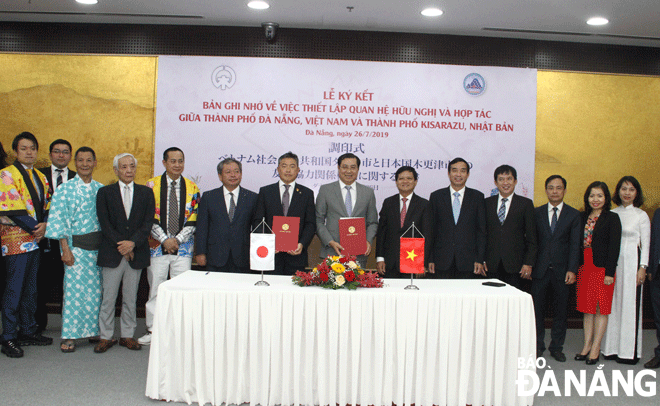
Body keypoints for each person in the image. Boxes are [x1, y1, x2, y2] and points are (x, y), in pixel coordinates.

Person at [138, 147, 200, 346]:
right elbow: (148, 216)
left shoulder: (193, 187)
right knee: (156, 289)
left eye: (180, 161)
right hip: (157, 246)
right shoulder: (151, 186)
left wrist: (177, 240)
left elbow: (193, 219)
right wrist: (165, 239)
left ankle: (180, 331)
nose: (177, 165)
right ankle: (153, 330)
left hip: (183, 248)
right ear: (164, 163)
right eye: (172, 161)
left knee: (182, 290)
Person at [44, 147, 103, 353]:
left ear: (95, 162)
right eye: (80, 160)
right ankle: (69, 334)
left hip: (98, 250)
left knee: (96, 293)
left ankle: (93, 330)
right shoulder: (65, 189)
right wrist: (65, 249)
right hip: (75, 249)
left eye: (89, 160)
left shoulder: (101, 189)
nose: (85, 164)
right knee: (74, 293)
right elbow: (59, 220)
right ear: (75, 163)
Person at [95, 153, 155, 353]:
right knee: (108, 297)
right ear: (116, 170)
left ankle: (127, 335)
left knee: (131, 297)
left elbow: (147, 224)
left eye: (132, 166)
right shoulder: (105, 192)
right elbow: (105, 224)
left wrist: (132, 245)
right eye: (124, 167)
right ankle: (105, 336)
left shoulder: (146, 193)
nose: (129, 170)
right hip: (112, 253)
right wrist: (122, 246)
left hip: (136, 253)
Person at [0, 132, 52, 358]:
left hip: (35, 239)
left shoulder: (41, 176)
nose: (29, 152)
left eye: (33, 148)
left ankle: (28, 330)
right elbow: (13, 209)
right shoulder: (6, 175)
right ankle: (8, 336)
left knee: (31, 289)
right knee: (14, 289)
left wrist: (45, 226)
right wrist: (37, 227)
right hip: (15, 240)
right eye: (24, 148)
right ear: (15, 152)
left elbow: (49, 206)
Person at [532, 175, 581, 362]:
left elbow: (575, 245)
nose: (554, 191)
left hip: (563, 272)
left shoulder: (573, 215)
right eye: (551, 187)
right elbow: (532, 242)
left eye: (558, 188)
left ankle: (557, 347)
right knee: (537, 311)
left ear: (565, 191)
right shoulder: (536, 213)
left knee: (561, 311)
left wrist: (572, 269)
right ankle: (537, 345)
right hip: (540, 270)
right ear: (546, 190)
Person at [601, 176, 649, 364]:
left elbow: (646, 244)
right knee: (612, 306)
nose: (627, 193)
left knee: (630, 306)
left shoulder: (640, 215)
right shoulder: (612, 213)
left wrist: (642, 268)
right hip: (613, 266)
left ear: (636, 193)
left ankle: (629, 352)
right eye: (623, 189)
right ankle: (611, 348)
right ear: (617, 192)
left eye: (631, 189)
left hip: (632, 264)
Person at [575, 181, 621, 365]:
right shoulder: (581, 216)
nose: (596, 199)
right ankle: (586, 345)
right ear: (587, 198)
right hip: (584, 266)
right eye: (592, 195)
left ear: (606, 198)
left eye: (599, 196)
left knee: (601, 308)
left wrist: (610, 272)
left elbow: (614, 247)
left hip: (603, 269)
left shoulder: (612, 218)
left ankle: (596, 348)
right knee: (587, 308)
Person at [252, 152, 315, 275]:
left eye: (292, 166)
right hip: (270, 255)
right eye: (284, 166)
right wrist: (267, 243)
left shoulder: (307, 193)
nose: (288, 170)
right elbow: (258, 221)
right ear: (278, 169)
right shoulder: (265, 192)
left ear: (298, 170)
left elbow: (310, 223)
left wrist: (301, 244)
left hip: (296, 256)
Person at [36, 139, 76, 333]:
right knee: (40, 282)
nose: (61, 155)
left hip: (70, 241)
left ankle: (67, 325)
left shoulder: (78, 178)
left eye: (65, 152)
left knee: (68, 284)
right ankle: (38, 324)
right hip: (43, 239)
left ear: (70, 156)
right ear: (50, 154)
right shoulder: (38, 175)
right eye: (57, 151)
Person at [315, 153, 378, 266]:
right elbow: (318, 220)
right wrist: (330, 242)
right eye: (344, 167)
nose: (349, 171)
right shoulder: (325, 190)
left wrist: (368, 241)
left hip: (359, 254)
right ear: (338, 168)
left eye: (353, 167)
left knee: (357, 284)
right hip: (333, 252)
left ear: (358, 169)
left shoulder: (368, 193)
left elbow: (373, 222)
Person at [195, 158, 257, 272]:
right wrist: (200, 253)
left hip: (243, 257)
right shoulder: (209, 197)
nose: (233, 175)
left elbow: (257, 228)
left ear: (241, 174)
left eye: (236, 171)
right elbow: (202, 228)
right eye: (228, 172)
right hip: (215, 256)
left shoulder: (252, 198)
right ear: (220, 176)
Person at [428, 157, 486, 278]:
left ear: (468, 174)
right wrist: (430, 258)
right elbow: (431, 230)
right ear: (449, 174)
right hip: (441, 261)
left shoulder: (477, 197)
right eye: (454, 170)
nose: (458, 174)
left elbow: (481, 231)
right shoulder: (436, 196)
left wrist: (480, 259)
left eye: (463, 171)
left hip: (469, 261)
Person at [484, 165, 537, 289]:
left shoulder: (525, 204)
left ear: (515, 181)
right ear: (495, 182)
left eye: (509, 179)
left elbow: (532, 238)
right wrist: (482, 260)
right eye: (501, 179)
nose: (505, 183)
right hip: (491, 265)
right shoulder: (486, 203)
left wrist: (528, 263)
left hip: (516, 266)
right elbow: (481, 234)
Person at [375, 166, 432, 278]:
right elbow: (382, 232)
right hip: (390, 262)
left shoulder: (424, 205)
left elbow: (427, 236)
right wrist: (380, 258)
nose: (405, 181)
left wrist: (422, 263)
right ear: (396, 182)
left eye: (409, 178)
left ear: (415, 182)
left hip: (413, 260)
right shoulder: (388, 203)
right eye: (401, 179)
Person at [645, 208, 660, 369]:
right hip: (657, 272)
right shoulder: (658, 213)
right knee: (659, 317)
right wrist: (649, 268)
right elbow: (653, 241)